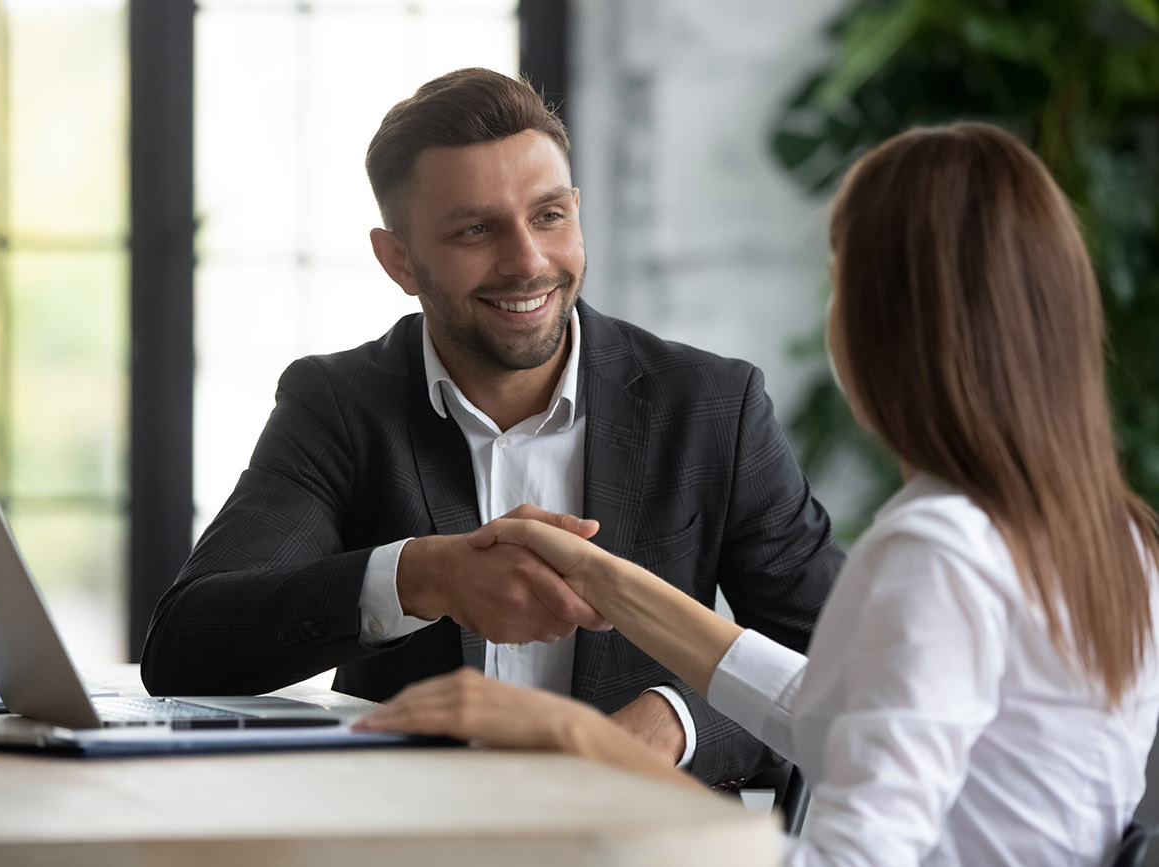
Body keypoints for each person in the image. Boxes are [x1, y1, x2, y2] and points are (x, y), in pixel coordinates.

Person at [355, 121, 1159, 866]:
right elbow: (837, 710)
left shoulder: (935, 552)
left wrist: (574, 736)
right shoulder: (1108, 533)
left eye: (838, 275)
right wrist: (600, 574)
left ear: (881, 325)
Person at [140, 67, 843, 786]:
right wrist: (421, 576)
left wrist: (672, 723)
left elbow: (845, 665)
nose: (528, 263)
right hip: (411, 841)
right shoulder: (340, 406)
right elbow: (187, 646)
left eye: (548, 216)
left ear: (577, 211)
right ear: (399, 261)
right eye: (476, 229)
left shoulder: (712, 407)